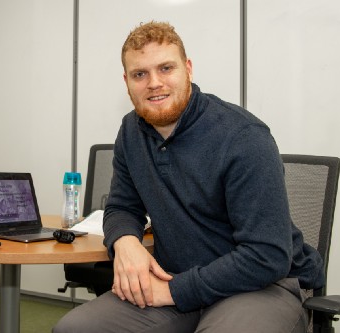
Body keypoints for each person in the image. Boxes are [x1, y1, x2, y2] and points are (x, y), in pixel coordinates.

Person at [53, 21, 324, 333]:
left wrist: (171, 291)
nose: (154, 83)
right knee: (75, 329)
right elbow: (122, 207)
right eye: (140, 74)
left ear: (188, 69)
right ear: (126, 82)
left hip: (260, 286)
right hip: (177, 278)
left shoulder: (244, 136)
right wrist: (126, 242)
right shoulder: (131, 132)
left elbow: (267, 256)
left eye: (166, 68)